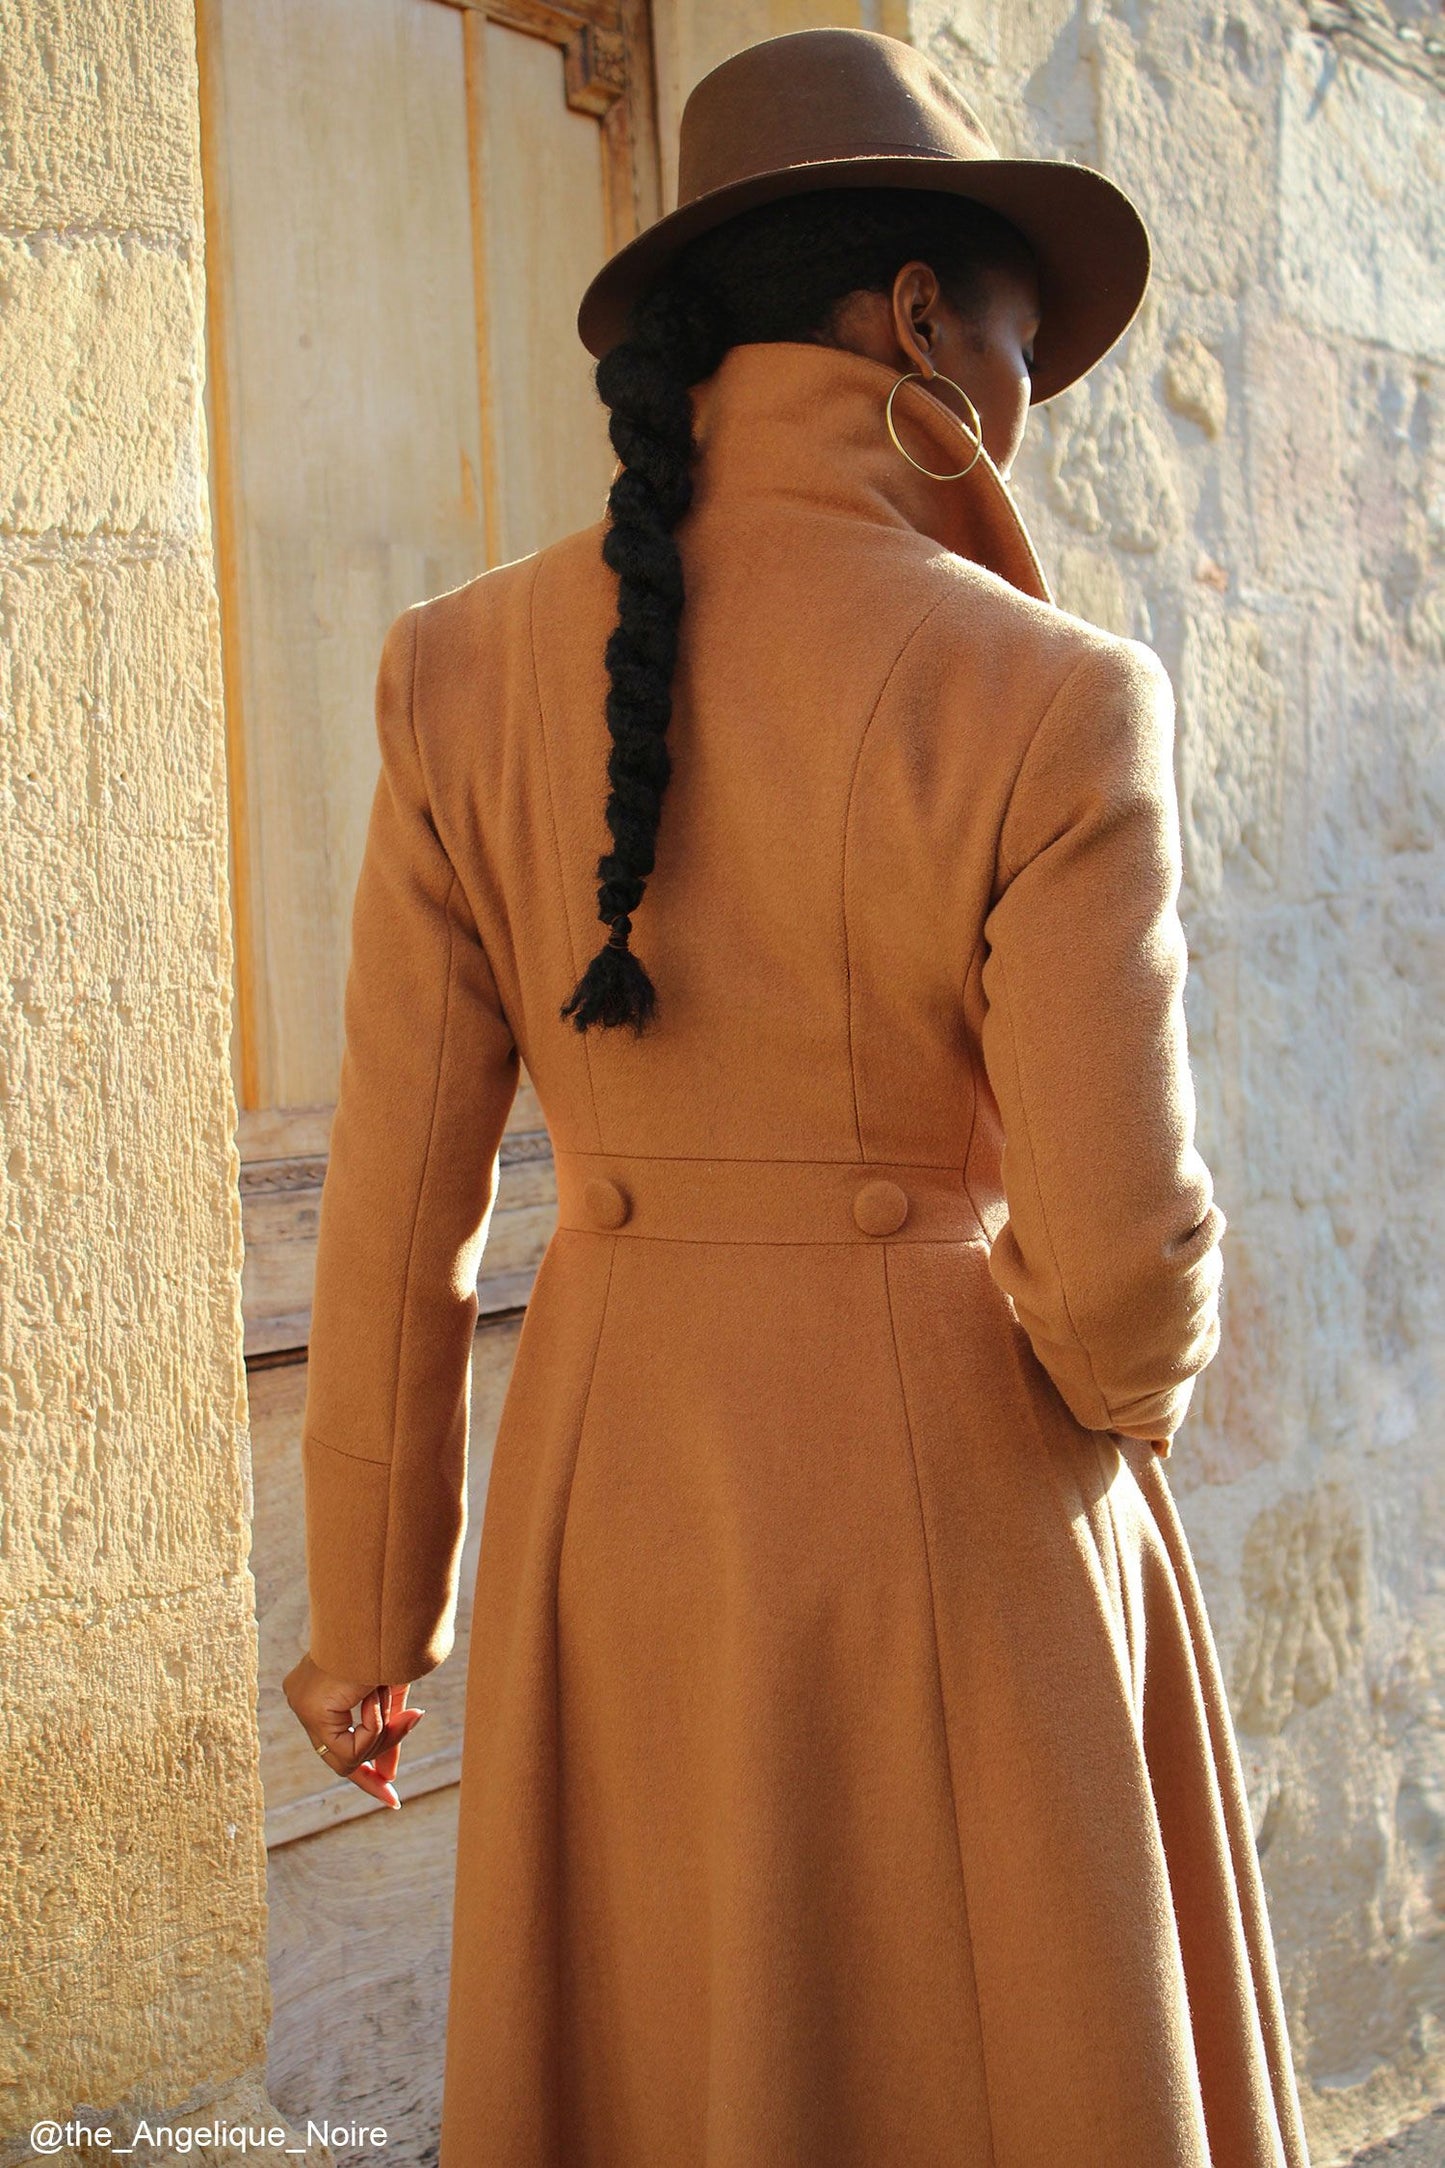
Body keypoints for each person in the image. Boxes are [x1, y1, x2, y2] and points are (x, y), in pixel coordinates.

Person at [284, 27, 1314, 2166]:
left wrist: (372, 1622)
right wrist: (1117, 1395)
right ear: (917, 320)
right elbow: (1117, 1279)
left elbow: (396, 1207)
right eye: (1017, 340)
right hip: (954, 1531)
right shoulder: (1049, 693)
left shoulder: (452, 674)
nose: (1025, 399)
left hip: (617, 1518)